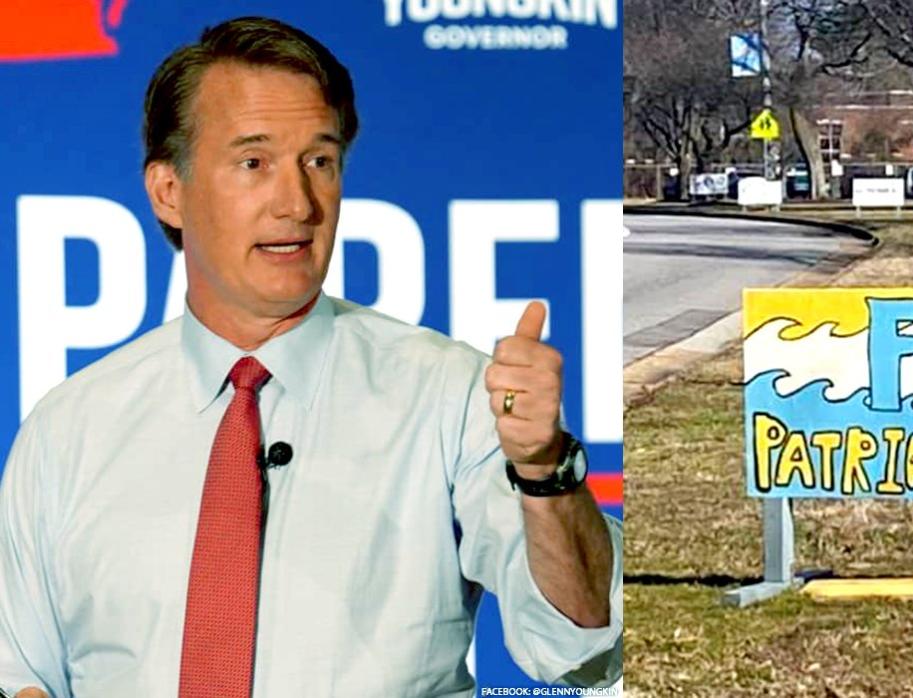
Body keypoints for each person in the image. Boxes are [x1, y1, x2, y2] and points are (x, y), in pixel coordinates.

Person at [0, 16, 620, 697]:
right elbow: (18, 671)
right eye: (253, 163)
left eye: (319, 162)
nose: (298, 203)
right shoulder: (69, 427)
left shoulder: (449, 394)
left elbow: (580, 646)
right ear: (168, 192)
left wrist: (544, 473)